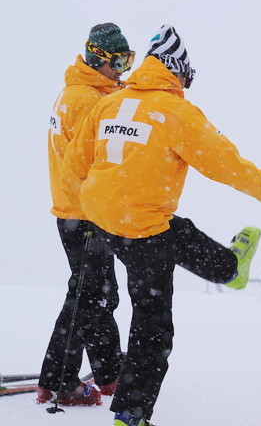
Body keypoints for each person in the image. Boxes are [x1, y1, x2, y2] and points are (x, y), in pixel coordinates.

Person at [61, 25, 261, 426]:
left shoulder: (110, 103)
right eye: (188, 74)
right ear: (175, 69)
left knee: (176, 232)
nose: (188, 82)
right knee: (152, 323)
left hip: (103, 220)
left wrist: (108, 196)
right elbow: (227, 165)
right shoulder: (177, 112)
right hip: (141, 228)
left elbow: (75, 165)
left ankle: (229, 268)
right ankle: (131, 414)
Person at [39, 23, 135, 406]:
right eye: (119, 62)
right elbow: (96, 159)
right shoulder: (85, 100)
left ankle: (109, 369)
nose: (123, 70)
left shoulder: (84, 92)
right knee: (86, 296)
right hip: (84, 213)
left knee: (98, 295)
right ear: (99, 58)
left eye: (129, 61)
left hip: (79, 210)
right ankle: (59, 380)